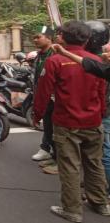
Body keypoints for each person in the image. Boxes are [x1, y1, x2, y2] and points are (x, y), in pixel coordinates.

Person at [33, 20, 109, 222]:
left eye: (59, 34)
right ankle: (100, 203)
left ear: (63, 38)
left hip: (67, 122)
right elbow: (102, 92)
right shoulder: (97, 61)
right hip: (93, 121)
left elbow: (43, 91)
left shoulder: (56, 61)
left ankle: (72, 210)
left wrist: (37, 114)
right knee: (94, 164)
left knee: (70, 166)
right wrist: (100, 113)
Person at [29, 26, 57, 175]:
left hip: (54, 98)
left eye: (38, 37)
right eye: (34, 37)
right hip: (42, 95)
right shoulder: (40, 55)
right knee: (47, 126)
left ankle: (59, 160)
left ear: (48, 38)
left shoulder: (56, 53)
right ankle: (49, 151)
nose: (35, 40)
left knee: (56, 129)